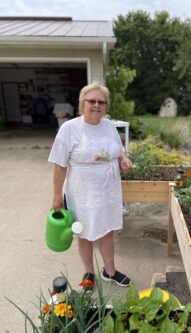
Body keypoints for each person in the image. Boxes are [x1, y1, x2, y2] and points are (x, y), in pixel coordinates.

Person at [48, 83, 132, 290]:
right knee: (83, 231)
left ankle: (110, 271)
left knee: (107, 230)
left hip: (109, 189)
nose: (96, 105)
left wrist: (123, 159)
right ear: (82, 104)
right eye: (92, 101)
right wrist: (57, 196)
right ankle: (88, 272)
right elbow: (60, 165)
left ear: (106, 106)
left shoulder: (110, 127)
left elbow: (118, 150)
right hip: (82, 192)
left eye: (101, 102)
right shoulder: (69, 129)